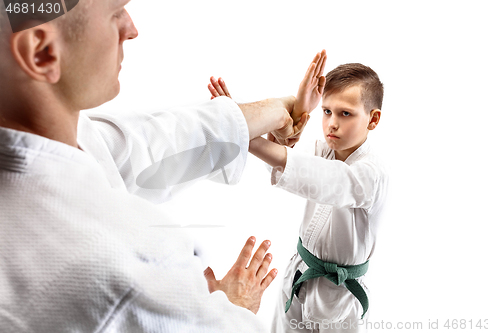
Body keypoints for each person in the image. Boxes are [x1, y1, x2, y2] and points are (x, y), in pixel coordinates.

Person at [0, 0, 309, 332]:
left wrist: (271, 112)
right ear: (41, 52)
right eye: (115, 12)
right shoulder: (130, 270)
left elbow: (138, 144)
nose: (131, 29)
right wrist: (236, 307)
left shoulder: (43, 137)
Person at [209, 58, 389, 332]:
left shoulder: (370, 173)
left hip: (339, 294)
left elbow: (317, 176)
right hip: (300, 271)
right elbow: (286, 152)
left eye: (346, 113)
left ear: (373, 119)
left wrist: (242, 131)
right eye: (327, 111)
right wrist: (301, 108)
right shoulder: (322, 150)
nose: (332, 123)